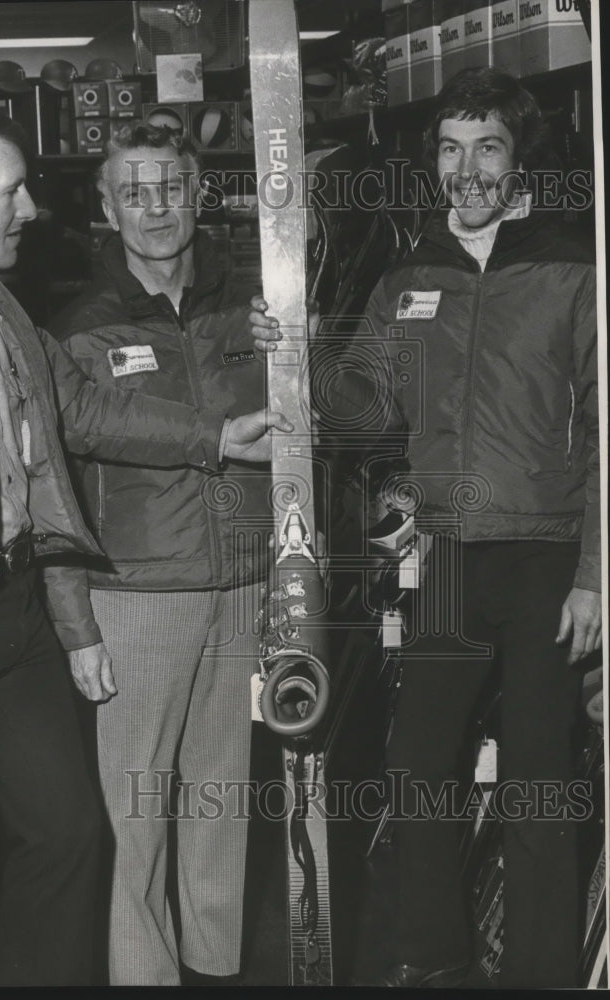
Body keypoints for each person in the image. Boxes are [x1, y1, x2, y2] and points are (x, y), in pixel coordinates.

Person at [0, 101, 290, 988]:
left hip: (16, 601)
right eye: (12, 192)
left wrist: (217, 439)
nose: (30, 210)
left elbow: (93, 411)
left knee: (68, 833)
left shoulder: (5, 308)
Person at [253, 68, 601, 988]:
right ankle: (434, 958)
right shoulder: (412, 272)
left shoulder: (574, 267)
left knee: (534, 782)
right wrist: (299, 356)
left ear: (520, 156)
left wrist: (596, 574)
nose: (468, 168)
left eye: (487, 146)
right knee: (414, 766)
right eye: (450, 148)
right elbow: (368, 414)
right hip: (445, 553)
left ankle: (541, 974)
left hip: (547, 555)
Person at [48, 122, 271, 986]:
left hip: (243, 586)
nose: (156, 210)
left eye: (171, 189)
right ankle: (143, 977)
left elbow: (303, 431)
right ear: (106, 208)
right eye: (133, 193)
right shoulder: (80, 329)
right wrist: (75, 624)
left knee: (220, 798)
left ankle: (214, 971)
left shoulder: (248, 310)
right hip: (135, 596)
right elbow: (53, 486)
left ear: (197, 194)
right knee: (134, 808)